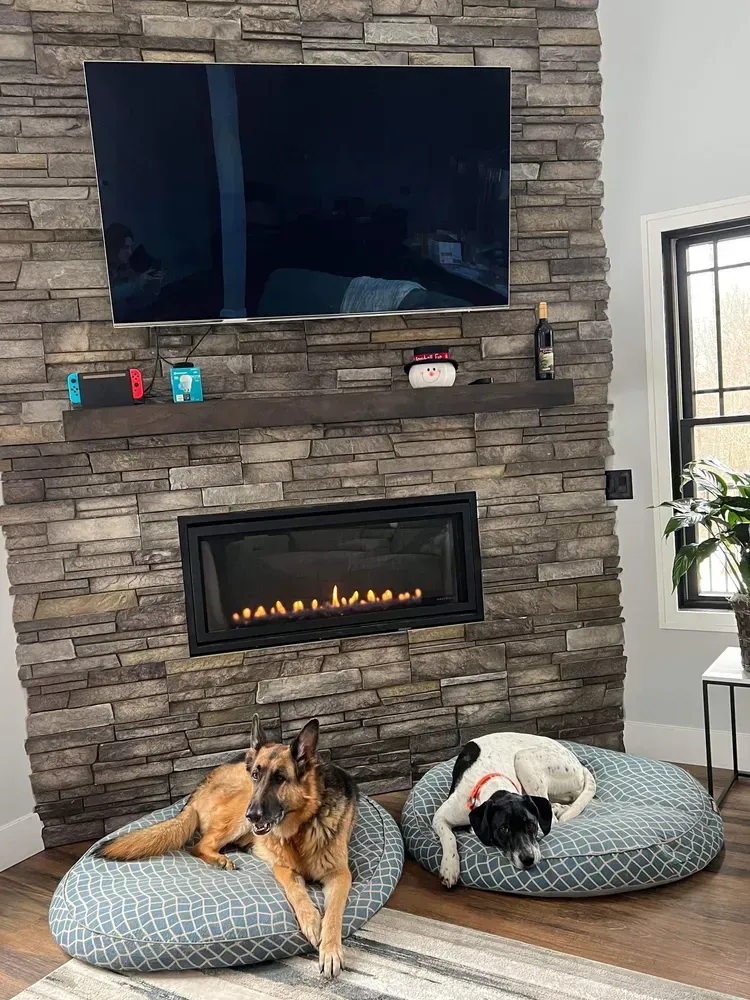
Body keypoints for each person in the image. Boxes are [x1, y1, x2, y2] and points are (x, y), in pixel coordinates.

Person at [105, 223, 165, 319]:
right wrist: (137, 284)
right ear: (115, 247)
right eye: (126, 247)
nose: (130, 252)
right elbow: (110, 295)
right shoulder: (104, 272)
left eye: (130, 247)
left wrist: (155, 286)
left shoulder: (127, 272)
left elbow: (137, 304)